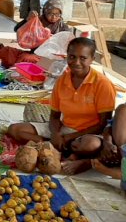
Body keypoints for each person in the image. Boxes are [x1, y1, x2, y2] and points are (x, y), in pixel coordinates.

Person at [7, 38, 116, 175]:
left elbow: (103, 124)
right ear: (67, 56)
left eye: (83, 58)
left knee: (91, 145)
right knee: (15, 129)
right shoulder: (62, 81)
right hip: (64, 128)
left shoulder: (102, 84)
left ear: (92, 59)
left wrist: (69, 137)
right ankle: (50, 145)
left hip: (88, 134)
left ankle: (70, 152)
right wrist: (56, 134)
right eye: (72, 57)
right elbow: (54, 116)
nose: (76, 62)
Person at [0, 0, 70, 68]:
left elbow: (69, 44)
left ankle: (15, 70)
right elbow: (17, 29)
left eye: (57, 14)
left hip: (47, 58)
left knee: (26, 59)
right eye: (50, 13)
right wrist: (28, 19)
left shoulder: (62, 27)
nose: (53, 17)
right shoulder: (37, 21)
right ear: (45, 12)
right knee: (7, 51)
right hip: (33, 53)